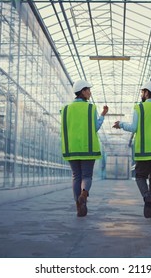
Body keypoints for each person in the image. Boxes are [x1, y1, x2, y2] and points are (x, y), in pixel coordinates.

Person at [112, 81, 151, 218]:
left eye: (142, 92)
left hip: (143, 151)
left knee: (140, 177)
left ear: (146, 92)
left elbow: (134, 128)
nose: (142, 94)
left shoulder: (139, 108)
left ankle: (147, 197)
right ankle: (150, 210)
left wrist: (121, 124)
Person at [61, 79, 108, 217]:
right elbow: (96, 127)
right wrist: (103, 115)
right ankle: (84, 195)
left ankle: (79, 204)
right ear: (83, 91)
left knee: (76, 176)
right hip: (88, 149)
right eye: (88, 90)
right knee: (87, 176)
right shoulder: (90, 108)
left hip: (72, 149)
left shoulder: (65, 109)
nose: (90, 92)